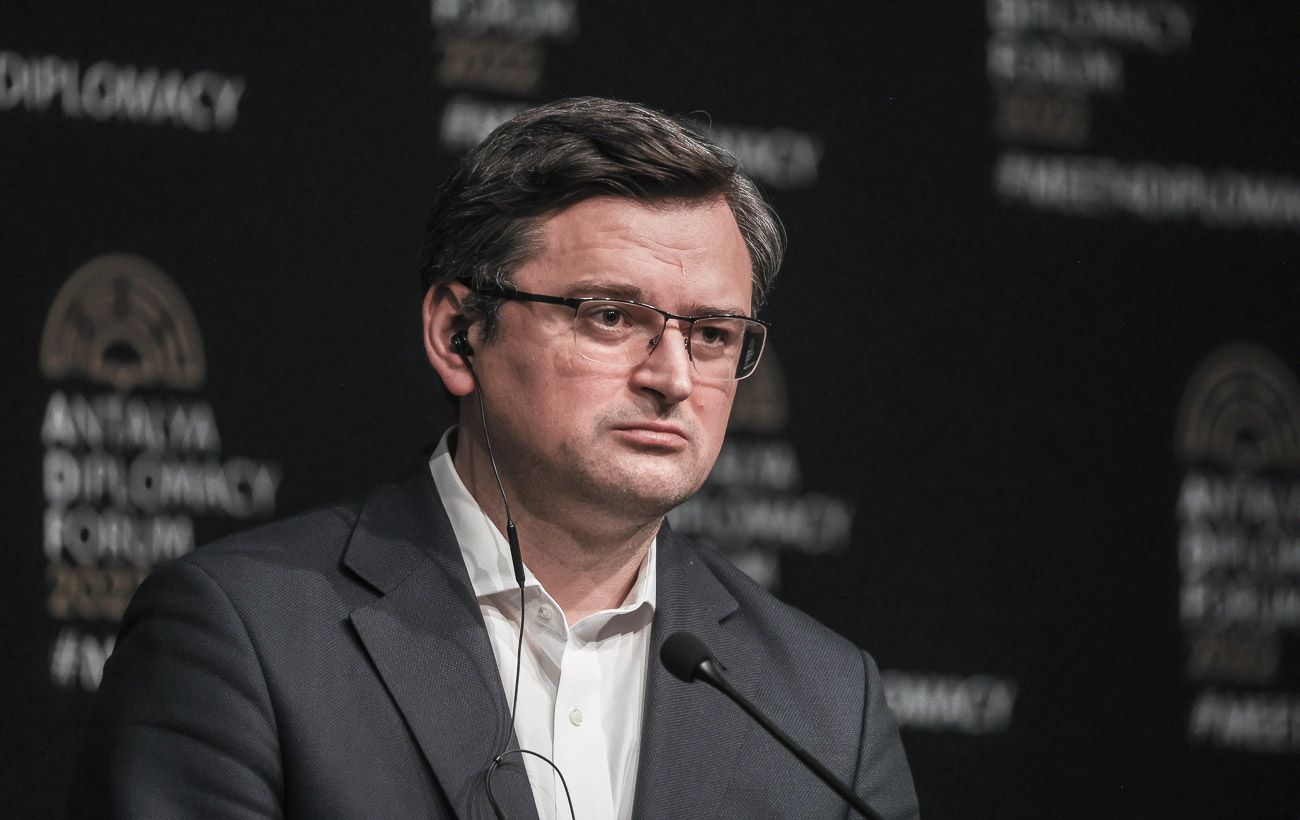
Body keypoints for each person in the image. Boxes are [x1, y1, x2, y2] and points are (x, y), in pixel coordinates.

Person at [69, 97, 919, 819]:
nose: (672, 377)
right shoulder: (246, 635)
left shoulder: (824, 705)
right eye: (610, 317)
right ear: (458, 334)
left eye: (712, 334)